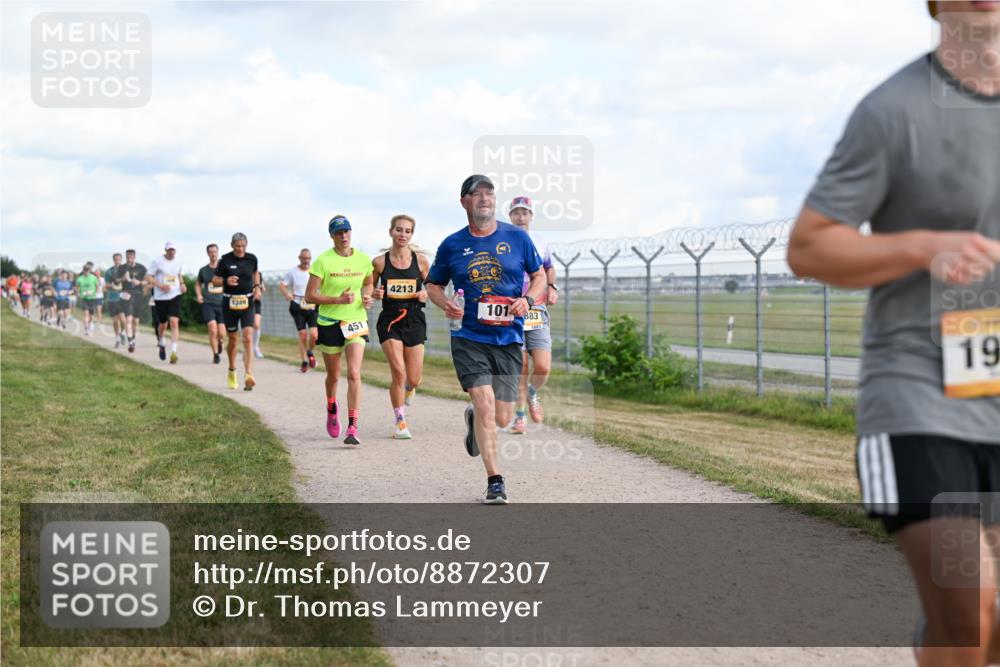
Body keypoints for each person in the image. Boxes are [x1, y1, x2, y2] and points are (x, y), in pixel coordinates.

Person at [787, 3, 1000, 664]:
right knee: (967, 605)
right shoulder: (893, 110)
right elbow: (810, 247)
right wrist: (922, 247)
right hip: (918, 391)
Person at [425, 175, 546, 504]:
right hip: (468, 336)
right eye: (476, 194)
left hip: (507, 337)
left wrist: (529, 300)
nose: (483, 199)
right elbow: (433, 285)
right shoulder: (452, 245)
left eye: (489, 193)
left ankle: (475, 421)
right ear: (463, 201)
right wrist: (444, 303)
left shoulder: (517, 238)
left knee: (503, 418)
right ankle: (495, 481)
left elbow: (539, 276)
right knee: (485, 403)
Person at [305, 215, 374, 446]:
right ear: (331, 236)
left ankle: (353, 426)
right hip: (329, 322)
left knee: (354, 372)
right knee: (334, 376)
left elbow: (369, 281)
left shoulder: (363, 259)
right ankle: (331, 406)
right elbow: (310, 296)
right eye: (338, 233)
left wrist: (366, 297)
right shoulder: (323, 261)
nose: (343, 236)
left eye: (346, 231)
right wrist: (338, 300)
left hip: (355, 320)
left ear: (351, 232)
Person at [371, 214, 430, 440]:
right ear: (391, 232)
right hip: (390, 320)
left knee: (413, 378)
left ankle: (410, 387)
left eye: (407, 231)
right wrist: (373, 294)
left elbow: (433, 287)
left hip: (414, 319)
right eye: (399, 230)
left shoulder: (421, 261)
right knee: (398, 372)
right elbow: (368, 289)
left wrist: (425, 293)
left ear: (411, 234)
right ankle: (400, 422)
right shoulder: (379, 262)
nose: (403, 234)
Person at [506, 196, 558, 434]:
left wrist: (552, 288)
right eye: (516, 212)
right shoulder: (502, 240)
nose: (520, 217)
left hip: (536, 307)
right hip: (512, 308)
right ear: (510, 216)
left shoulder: (541, 241)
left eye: (525, 212)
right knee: (521, 366)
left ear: (531, 216)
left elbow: (548, 269)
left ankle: (532, 393)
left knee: (543, 366)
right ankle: (519, 417)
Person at [213, 233, 261, 390]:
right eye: (238, 246)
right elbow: (215, 280)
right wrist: (226, 280)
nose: (241, 249)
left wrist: (257, 287)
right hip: (230, 303)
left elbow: (256, 273)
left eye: (243, 246)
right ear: (232, 245)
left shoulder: (252, 258)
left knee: (248, 337)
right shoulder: (225, 260)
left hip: (247, 302)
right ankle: (232, 370)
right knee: (233, 340)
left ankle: (249, 374)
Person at [278, 248, 319, 373]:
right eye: (304, 258)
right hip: (297, 305)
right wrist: (287, 294)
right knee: (302, 335)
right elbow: (282, 285)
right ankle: (304, 361)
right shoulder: (293, 272)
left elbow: (322, 286)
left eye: (308, 258)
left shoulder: (315, 271)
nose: (306, 261)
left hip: (312, 306)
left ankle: (309, 351)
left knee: (314, 335)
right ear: (299, 258)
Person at [148, 242, 186, 364]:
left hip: (175, 295)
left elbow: (179, 275)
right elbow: (148, 277)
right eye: (169, 250)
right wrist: (160, 285)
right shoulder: (157, 262)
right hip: (160, 297)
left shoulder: (178, 261)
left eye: (173, 250)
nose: (171, 252)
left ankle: (174, 352)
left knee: (174, 322)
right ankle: (162, 342)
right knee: (163, 324)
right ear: (165, 250)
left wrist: (182, 284)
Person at [195, 243, 225, 364]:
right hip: (208, 303)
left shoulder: (224, 269)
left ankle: (220, 342)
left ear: (218, 253)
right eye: (211, 252)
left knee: (222, 334)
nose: (213, 254)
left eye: (215, 252)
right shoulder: (203, 270)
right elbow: (198, 284)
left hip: (222, 303)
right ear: (208, 254)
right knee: (213, 329)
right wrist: (199, 295)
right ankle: (215, 354)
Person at [121, 249, 147, 353]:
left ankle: (133, 338)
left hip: (138, 295)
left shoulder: (141, 268)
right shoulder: (122, 268)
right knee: (128, 319)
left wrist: (139, 282)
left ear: (134, 256)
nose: (129, 257)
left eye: (131, 256)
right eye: (127, 256)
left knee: (135, 321)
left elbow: (148, 280)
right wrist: (123, 278)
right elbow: (116, 281)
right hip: (126, 295)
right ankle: (130, 341)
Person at [105, 254, 127, 347]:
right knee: (115, 321)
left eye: (119, 259)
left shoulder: (125, 270)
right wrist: (112, 285)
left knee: (123, 320)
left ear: (121, 260)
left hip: (122, 297)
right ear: (114, 260)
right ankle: (117, 339)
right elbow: (106, 285)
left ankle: (122, 333)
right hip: (112, 297)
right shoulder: (109, 271)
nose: (118, 261)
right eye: (116, 259)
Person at [74, 263, 100, 335]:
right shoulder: (80, 278)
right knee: (86, 315)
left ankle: (90, 323)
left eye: (87, 270)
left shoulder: (93, 277)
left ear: (89, 270)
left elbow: (97, 286)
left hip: (92, 298)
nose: (86, 271)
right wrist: (77, 293)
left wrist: (96, 293)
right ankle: (86, 330)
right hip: (84, 298)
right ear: (83, 270)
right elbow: (76, 288)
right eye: (85, 270)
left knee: (91, 316)